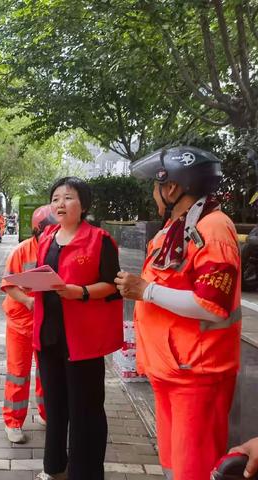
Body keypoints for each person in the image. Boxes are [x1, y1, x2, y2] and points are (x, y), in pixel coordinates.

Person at [115, 146, 242, 480]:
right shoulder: (174, 230)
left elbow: (212, 305)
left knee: (194, 470)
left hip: (197, 373)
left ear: (171, 188)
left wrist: (146, 291)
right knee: (174, 466)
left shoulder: (213, 229)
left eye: (155, 187)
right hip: (171, 369)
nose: (153, 194)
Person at [33, 177, 123, 480]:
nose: (60, 203)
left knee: (85, 413)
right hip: (48, 336)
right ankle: (54, 468)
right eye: (55, 198)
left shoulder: (100, 240)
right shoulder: (46, 237)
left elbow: (113, 286)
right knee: (55, 408)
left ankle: (85, 473)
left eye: (68, 198)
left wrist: (80, 292)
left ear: (83, 205)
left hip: (83, 340)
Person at [0, 205, 57, 444]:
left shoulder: (59, 249)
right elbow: (7, 284)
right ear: (37, 230)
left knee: (46, 373)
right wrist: (27, 301)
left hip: (46, 323)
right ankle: (13, 422)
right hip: (20, 324)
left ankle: (47, 415)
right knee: (18, 374)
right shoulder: (21, 251)